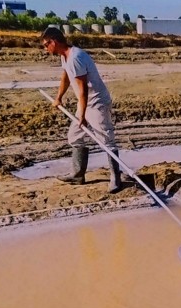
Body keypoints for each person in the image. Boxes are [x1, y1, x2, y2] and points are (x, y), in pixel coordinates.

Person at [39, 26, 124, 194]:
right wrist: (59, 97)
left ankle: (116, 178)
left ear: (54, 42)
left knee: (106, 140)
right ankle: (78, 175)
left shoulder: (76, 57)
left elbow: (83, 89)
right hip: (84, 102)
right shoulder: (65, 56)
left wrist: (82, 116)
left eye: (46, 44)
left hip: (97, 102)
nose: (45, 48)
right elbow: (66, 77)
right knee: (74, 136)